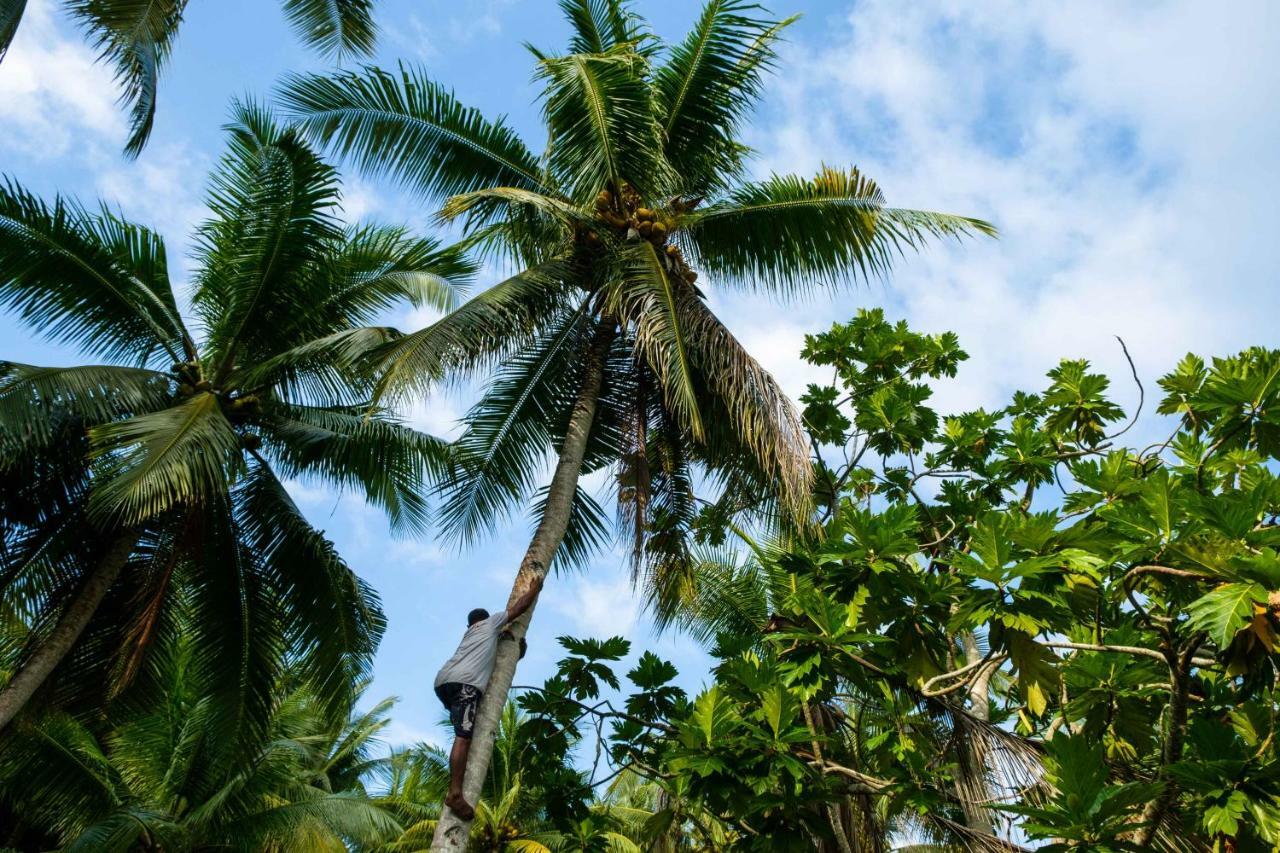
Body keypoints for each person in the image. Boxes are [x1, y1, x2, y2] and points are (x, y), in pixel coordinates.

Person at [433, 576, 543, 820]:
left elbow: (492, 665)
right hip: (465, 684)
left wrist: (516, 653)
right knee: (463, 736)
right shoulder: (491, 623)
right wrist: (534, 589)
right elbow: (518, 608)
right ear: (485, 619)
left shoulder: (470, 636)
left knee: (464, 732)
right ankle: (454, 794)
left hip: (444, 683)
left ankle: (456, 784)